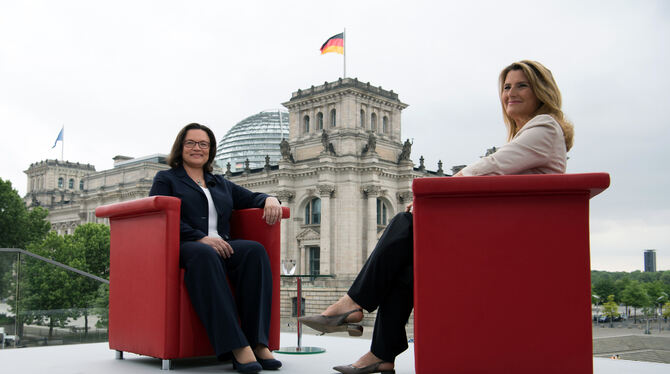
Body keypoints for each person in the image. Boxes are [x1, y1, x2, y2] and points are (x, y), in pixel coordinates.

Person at [299, 60, 575, 374]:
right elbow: (495, 176)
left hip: (517, 244)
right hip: (513, 237)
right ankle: (379, 353)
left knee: (405, 224)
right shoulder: (533, 133)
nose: (510, 93)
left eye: (521, 85)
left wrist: (430, 195)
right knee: (406, 266)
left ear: (541, 91)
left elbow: (493, 166)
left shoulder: (544, 127)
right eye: (507, 86)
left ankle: (352, 304)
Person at [149, 123, 283, 374]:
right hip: (186, 246)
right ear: (181, 147)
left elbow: (251, 197)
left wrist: (270, 198)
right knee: (205, 255)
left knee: (254, 251)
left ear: (210, 150)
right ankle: (237, 346)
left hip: (221, 245)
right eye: (191, 143)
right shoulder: (166, 179)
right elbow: (162, 216)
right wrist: (200, 238)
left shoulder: (219, 182)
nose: (197, 148)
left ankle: (258, 342)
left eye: (203, 144)